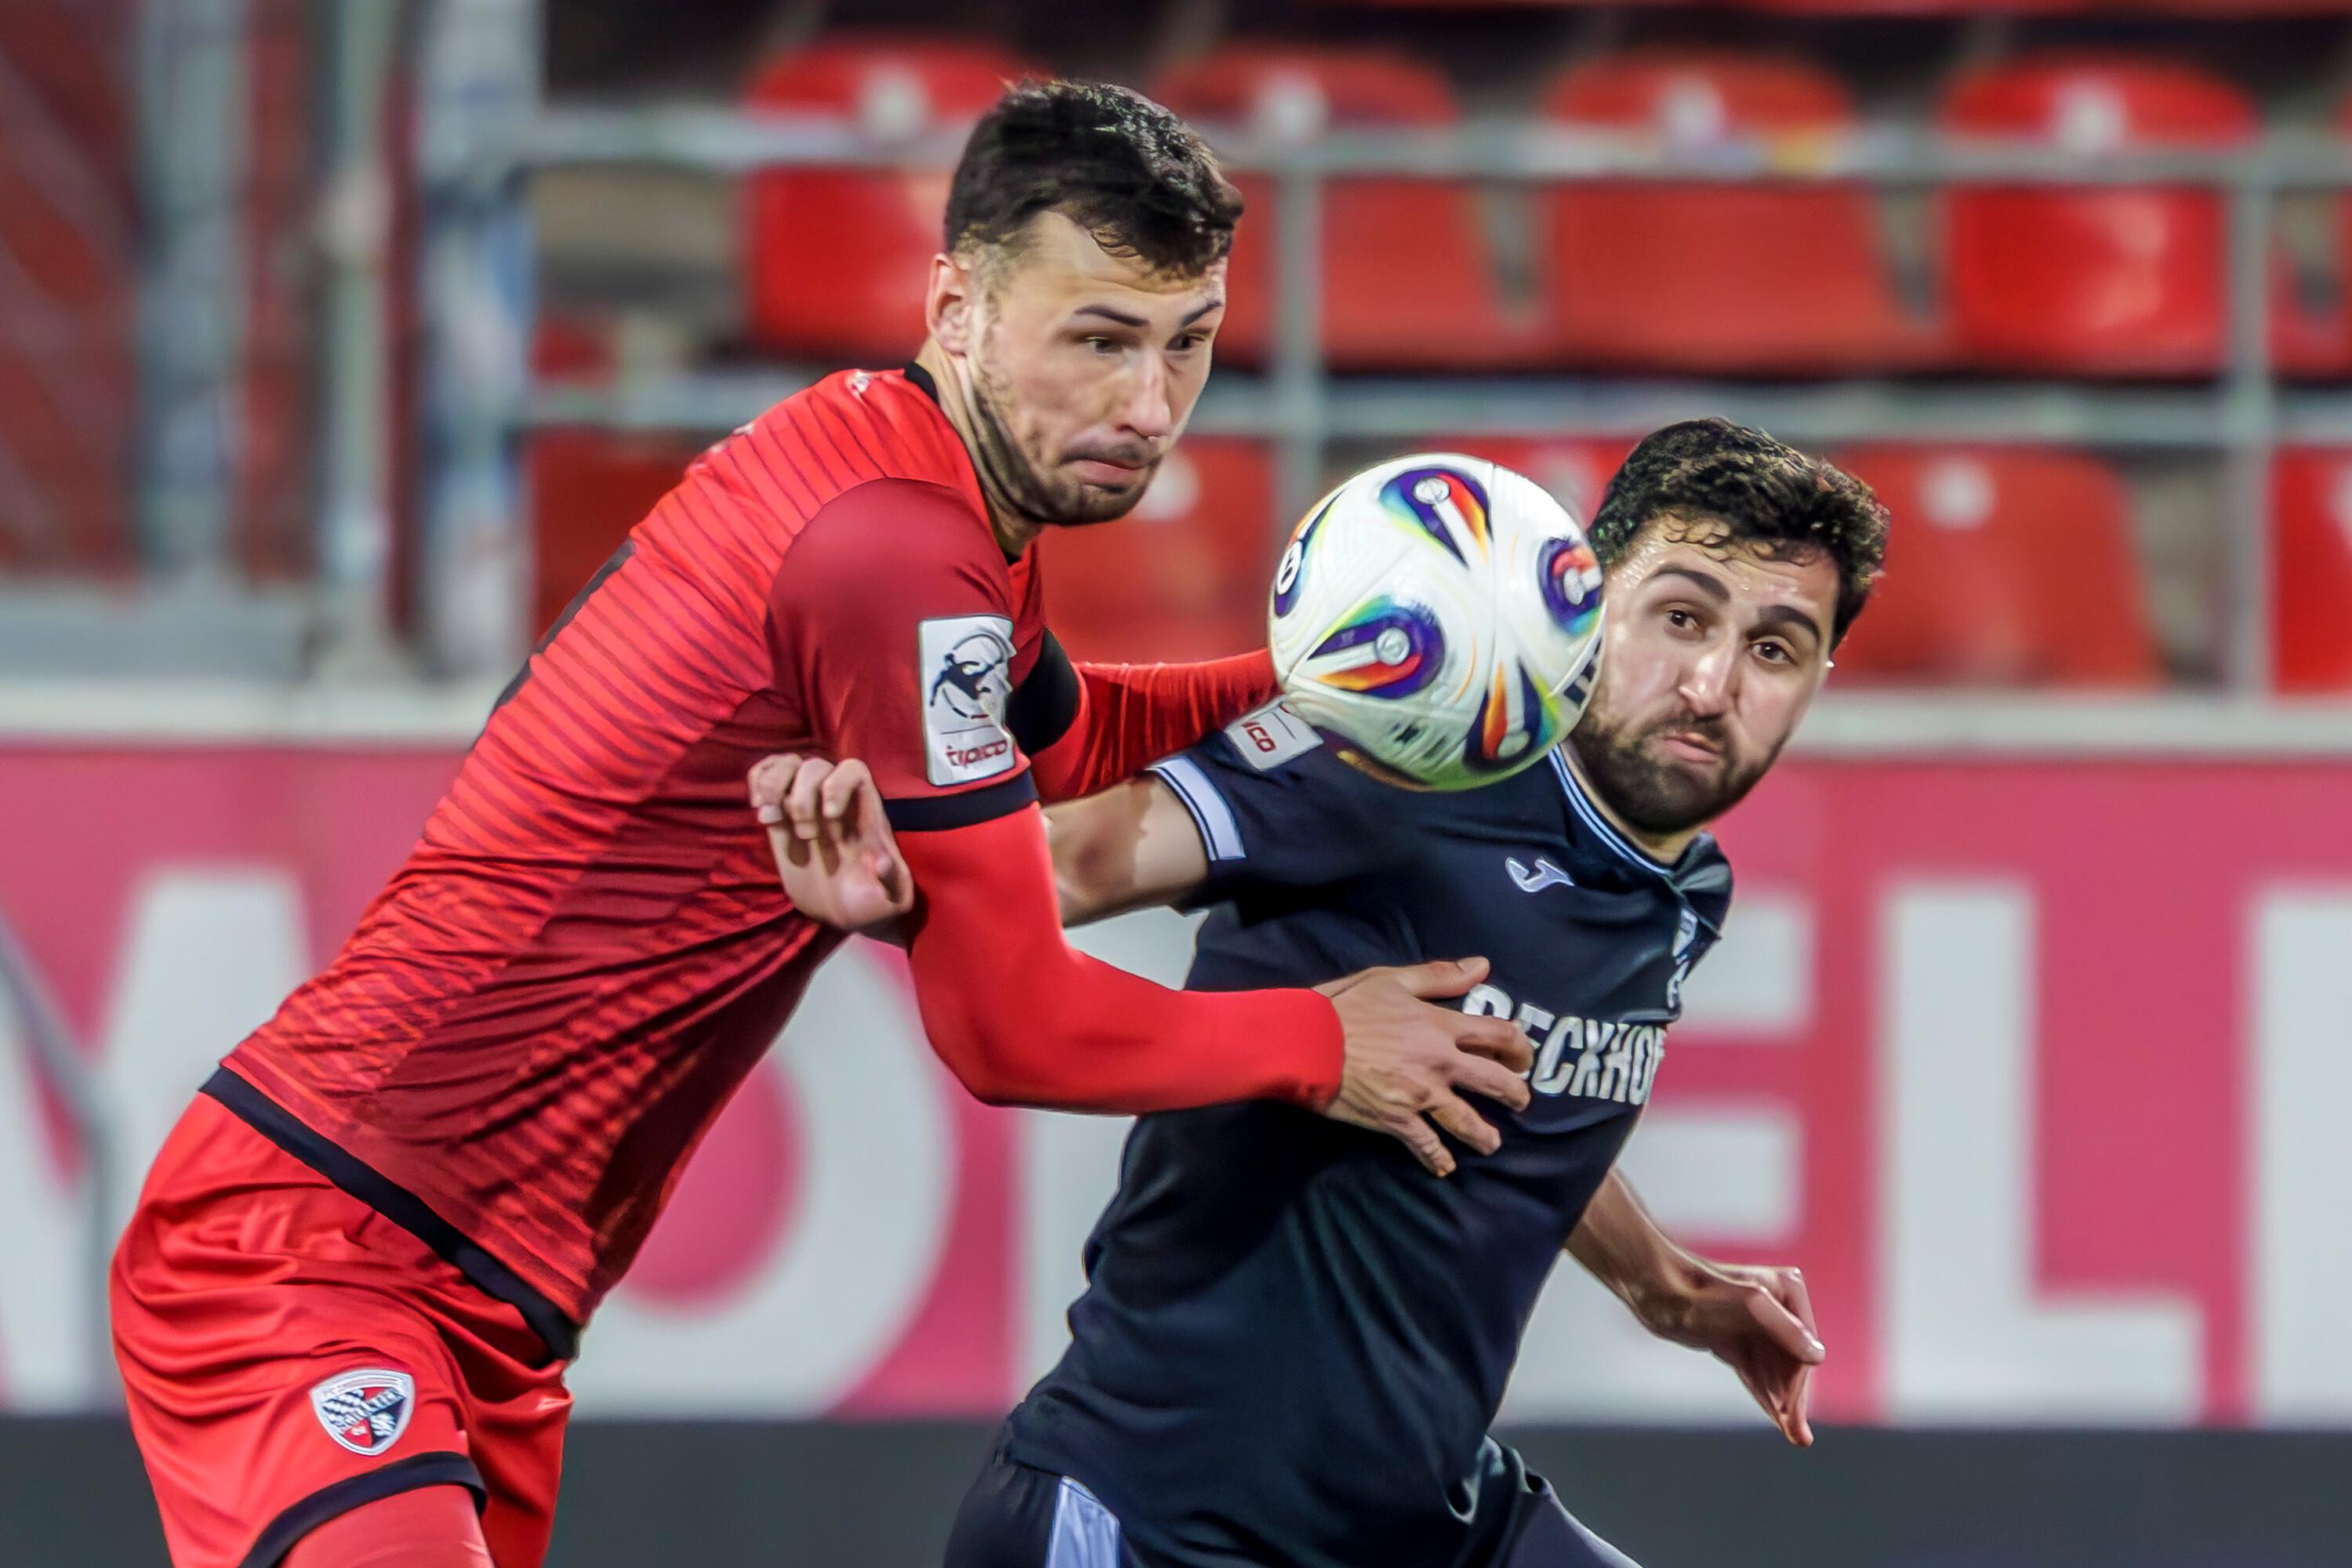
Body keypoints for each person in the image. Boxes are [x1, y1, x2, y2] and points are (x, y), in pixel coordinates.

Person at [109, 81, 1534, 1568]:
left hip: (490, 1301)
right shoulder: (893, 548)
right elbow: (1011, 1031)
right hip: (317, 1253)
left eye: (1187, 344)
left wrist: (1327, 676)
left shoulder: (920, 484)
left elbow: (1065, 745)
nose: (1148, 406)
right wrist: (1323, 1044)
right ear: (959, 304)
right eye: (1100, 339)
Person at [760, 419, 1890, 1568]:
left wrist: (1668, 1288)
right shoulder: (1401, 752)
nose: (1710, 684)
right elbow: (1069, 863)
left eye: (1776, 648)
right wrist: (900, 871)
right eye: (1683, 617)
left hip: (1417, 1521)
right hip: (1155, 1519)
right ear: (1584, 606)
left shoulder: (1684, 891)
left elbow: (1517, 1083)